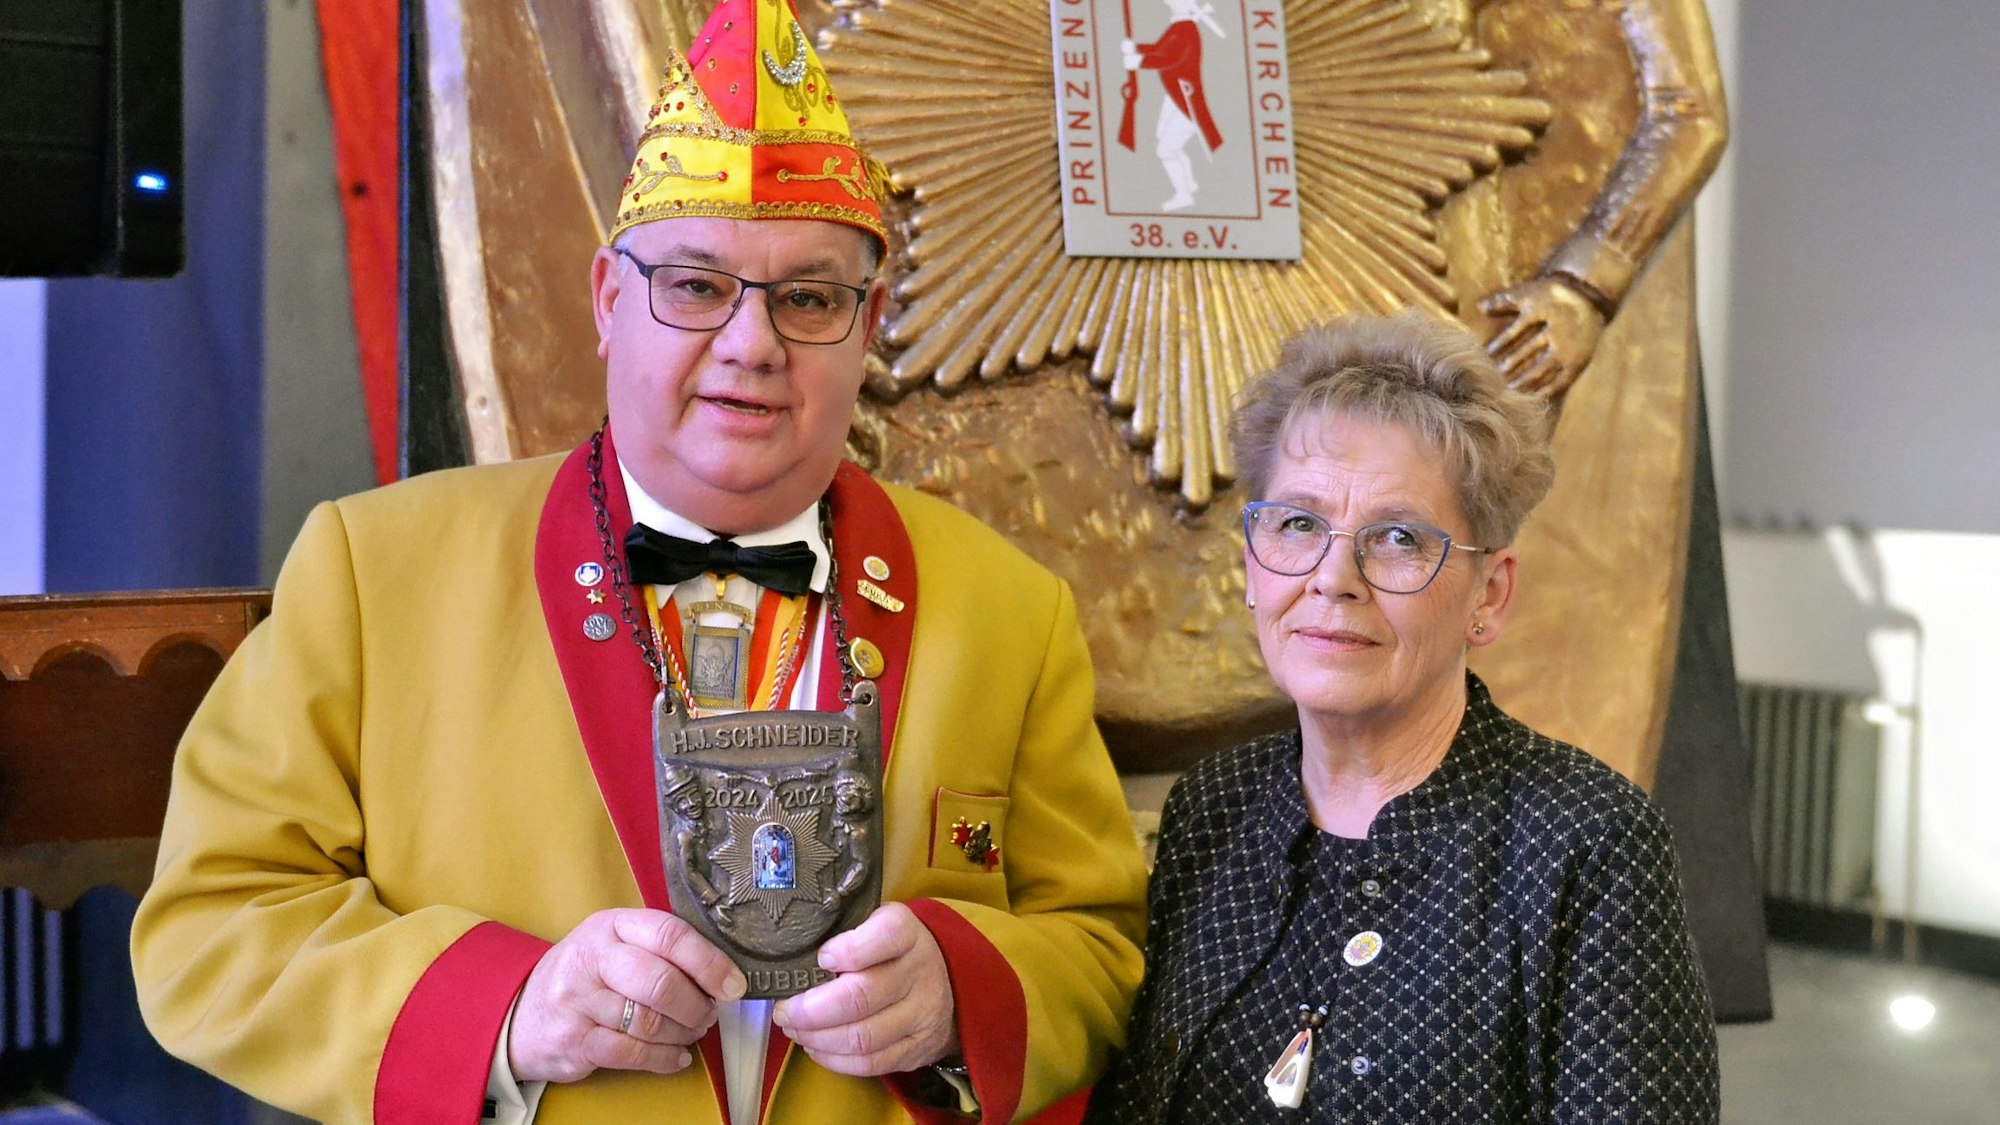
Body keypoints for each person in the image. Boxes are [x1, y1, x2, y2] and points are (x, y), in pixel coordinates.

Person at [128, 2, 1146, 1123]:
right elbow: (211, 931)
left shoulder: (1011, 609)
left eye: (809, 298)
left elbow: (1102, 944)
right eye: (697, 286)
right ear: (610, 301)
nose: (752, 344)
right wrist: (509, 1009)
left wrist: (967, 992)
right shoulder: (373, 572)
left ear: (868, 328)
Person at [1086, 311, 1718, 1122]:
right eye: (1299, 523)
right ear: (1253, 561)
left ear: (1488, 595)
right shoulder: (1213, 807)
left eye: (1396, 538)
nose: (1332, 577)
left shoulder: (1589, 845)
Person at [1119, 0, 1227, 211]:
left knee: (1166, 149)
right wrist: (1136, 48)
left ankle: (1183, 195)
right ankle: (1189, 183)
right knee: (1164, 138)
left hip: (1187, 100)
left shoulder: (1187, 29)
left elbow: (1170, 58)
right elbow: (1161, 48)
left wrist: (1138, 62)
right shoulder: (1180, 26)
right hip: (1175, 94)